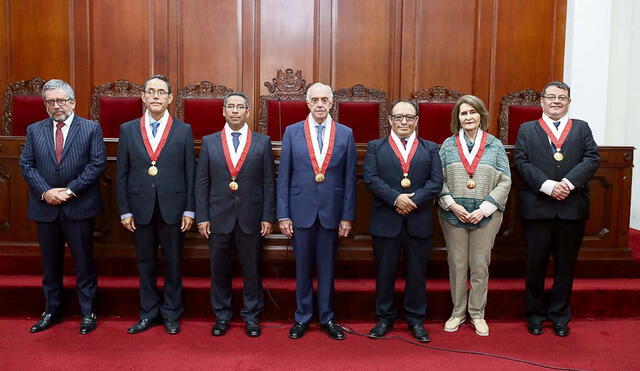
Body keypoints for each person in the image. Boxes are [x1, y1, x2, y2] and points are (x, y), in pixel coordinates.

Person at [19, 79, 106, 335]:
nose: (56, 106)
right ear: (45, 105)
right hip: (45, 206)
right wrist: (46, 192)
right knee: (50, 264)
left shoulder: (91, 128)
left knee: (84, 263)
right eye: (50, 101)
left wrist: (69, 191)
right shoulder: (34, 129)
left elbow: (96, 164)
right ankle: (51, 311)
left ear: (72, 102)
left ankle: (88, 312)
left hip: (78, 206)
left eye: (60, 100)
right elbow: (26, 165)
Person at [515, 81, 599, 337]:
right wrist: (547, 185)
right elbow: (521, 161)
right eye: (551, 97)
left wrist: (568, 184)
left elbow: (592, 158)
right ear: (541, 101)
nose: (556, 101)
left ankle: (560, 315)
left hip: (571, 208)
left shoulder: (581, 128)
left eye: (562, 97)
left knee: (565, 266)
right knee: (535, 265)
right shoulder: (527, 129)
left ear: (569, 102)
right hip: (538, 208)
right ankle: (535, 315)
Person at [277, 82, 357, 340]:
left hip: (332, 213)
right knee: (301, 268)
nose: (320, 104)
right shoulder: (292, 132)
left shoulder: (345, 133)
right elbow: (284, 176)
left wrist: (347, 216)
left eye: (325, 99)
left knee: (327, 269)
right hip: (300, 211)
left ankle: (327, 317)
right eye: (315, 100)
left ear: (332, 102)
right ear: (307, 103)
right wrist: (283, 214)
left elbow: (349, 179)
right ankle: (301, 318)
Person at [116, 74, 195, 335]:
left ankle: (172, 313)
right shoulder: (128, 129)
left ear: (171, 98)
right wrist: (125, 209)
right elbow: (122, 174)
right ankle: (148, 313)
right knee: (145, 263)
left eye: (161, 92)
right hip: (140, 209)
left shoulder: (184, 130)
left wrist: (189, 209)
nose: (156, 96)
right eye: (151, 92)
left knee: (173, 263)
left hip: (174, 208)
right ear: (143, 97)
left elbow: (190, 173)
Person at [196, 92, 275, 338]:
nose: (235, 111)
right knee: (219, 270)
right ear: (223, 111)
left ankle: (251, 316)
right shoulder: (209, 142)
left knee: (251, 269)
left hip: (251, 216)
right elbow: (202, 182)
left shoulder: (262, 142)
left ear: (248, 112)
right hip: (218, 216)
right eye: (230, 106)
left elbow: (268, 183)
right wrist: (202, 217)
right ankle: (222, 315)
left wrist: (267, 216)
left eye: (240, 107)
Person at [363, 99, 443, 342]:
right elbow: (371, 179)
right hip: (386, 221)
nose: (404, 122)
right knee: (385, 273)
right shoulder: (376, 147)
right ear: (390, 121)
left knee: (417, 274)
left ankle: (416, 320)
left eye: (409, 117)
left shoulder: (430, 148)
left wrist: (413, 200)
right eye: (399, 117)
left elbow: (436, 182)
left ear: (417, 120)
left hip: (418, 221)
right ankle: (384, 318)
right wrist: (396, 199)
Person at [438, 95, 511, 337]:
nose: (468, 117)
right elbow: (438, 180)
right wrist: (452, 205)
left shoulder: (495, 145)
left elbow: (505, 181)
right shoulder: (448, 145)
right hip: (453, 214)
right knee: (457, 265)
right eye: (463, 113)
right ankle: (458, 312)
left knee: (479, 266)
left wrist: (485, 208)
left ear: (481, 115)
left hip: (485, 216)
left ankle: (477, 313)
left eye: (472, 112)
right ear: (457, 118)